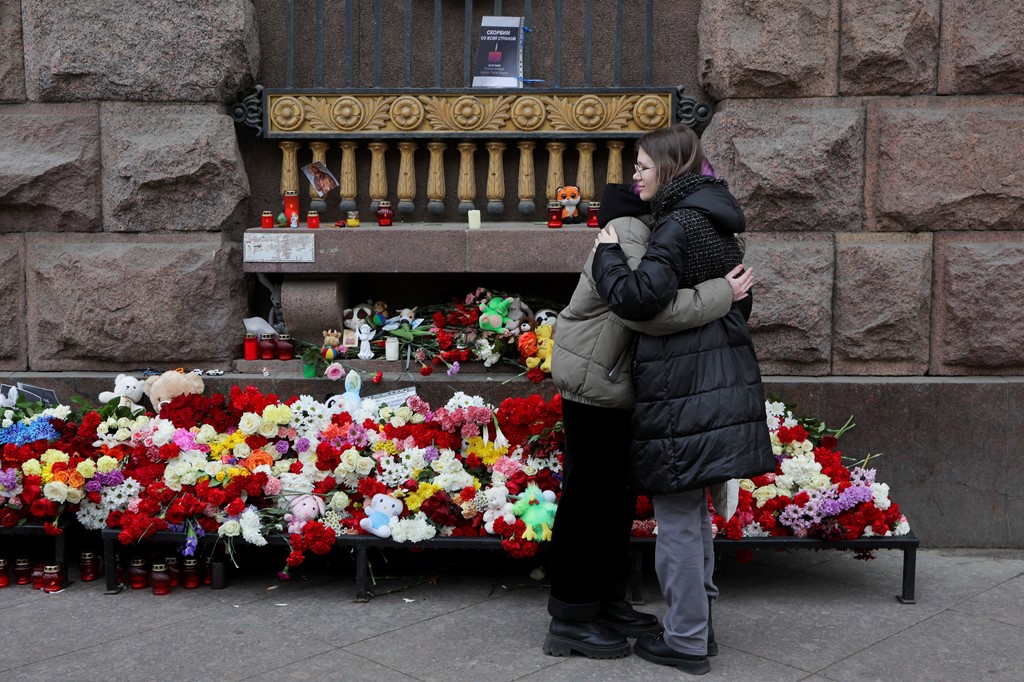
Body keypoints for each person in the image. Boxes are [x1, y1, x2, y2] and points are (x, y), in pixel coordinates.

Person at [543, 176, 753, 660]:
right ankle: (570, 618)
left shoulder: (659, 224)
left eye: (643, 165)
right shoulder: (628, 229)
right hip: (596, 380)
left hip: (618, 382)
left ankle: (607, 601)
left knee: (614, 498)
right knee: (587, 499)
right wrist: (722, 292)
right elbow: (646, 310)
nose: (638, 174)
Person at [591, 126, 775, 675]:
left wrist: (607, 256)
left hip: (683, 387)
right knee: (693, 513)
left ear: (669, 170)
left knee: (676, 514)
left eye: (643, 166)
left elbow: (639, 299)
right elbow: (740, 301)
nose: (635, 176)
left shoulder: (678, 223)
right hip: (718, 377)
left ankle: (687, 639)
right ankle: (700, 628)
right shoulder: (716, 220)